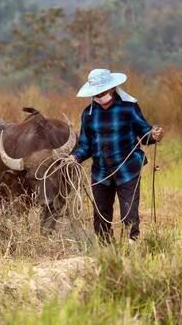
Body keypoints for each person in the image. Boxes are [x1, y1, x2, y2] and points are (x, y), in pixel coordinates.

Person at [70, 68, 164, 243]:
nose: (100, 97)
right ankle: (107, 252)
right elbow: (85, 145)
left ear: (112, 89)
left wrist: (154, 135)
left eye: (103, 92)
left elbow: (145, 134)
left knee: (129, 213)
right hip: (100, 172)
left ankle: (132, 248)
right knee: (100, 216)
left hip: (127, 169)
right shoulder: (88, 114)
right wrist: (74, 157)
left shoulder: (128, 108)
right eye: (96, 94)